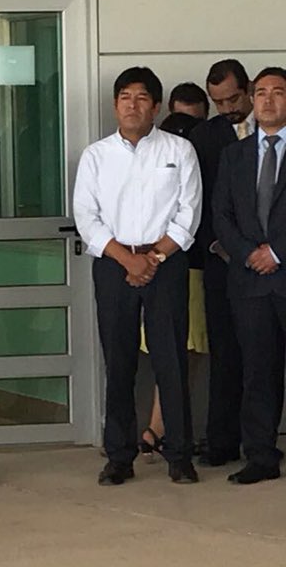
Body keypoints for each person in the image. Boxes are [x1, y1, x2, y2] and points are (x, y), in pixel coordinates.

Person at [73, 67, 201, 485]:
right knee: (119, 361)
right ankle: (119, 456)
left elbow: (189, 213)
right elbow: (86, 218)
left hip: (166, 264)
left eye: (142, 97)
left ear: (156, 106)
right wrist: (127, 260)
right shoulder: (96, 156)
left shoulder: (179, 150)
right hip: (115, 265)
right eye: (125, 97)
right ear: (115, 105)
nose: (132, 105)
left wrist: (154, 257)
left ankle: (179, 454)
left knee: (171, 360)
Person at [212, 66, 286, 484]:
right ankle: (260, 456)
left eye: (278, 92)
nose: (268, 100)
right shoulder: (234, 155)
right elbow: (221, 215)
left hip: (283, 268)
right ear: (252, 100)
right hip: (250, 281)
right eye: (261, 93)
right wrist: (249, 254)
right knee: (258, 371)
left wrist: (276, 251)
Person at [189, 59, 255, 466]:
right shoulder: (204, 137)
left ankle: (260, 442)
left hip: (272, 259)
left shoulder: (276, 130)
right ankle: (222, 442)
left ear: (248, 88)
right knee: (225, 354)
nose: (228, 108)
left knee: (266, 355)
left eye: (233, 99)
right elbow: (196, 200)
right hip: (221, 261)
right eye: (219, 102)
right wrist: (218, 245)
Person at [138, 111, 209, 461]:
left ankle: (162, 430)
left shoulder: (194, 154)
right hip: (163, 264)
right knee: (176, 351)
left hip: (184, 262)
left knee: (181, 352)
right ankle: (159, 428)